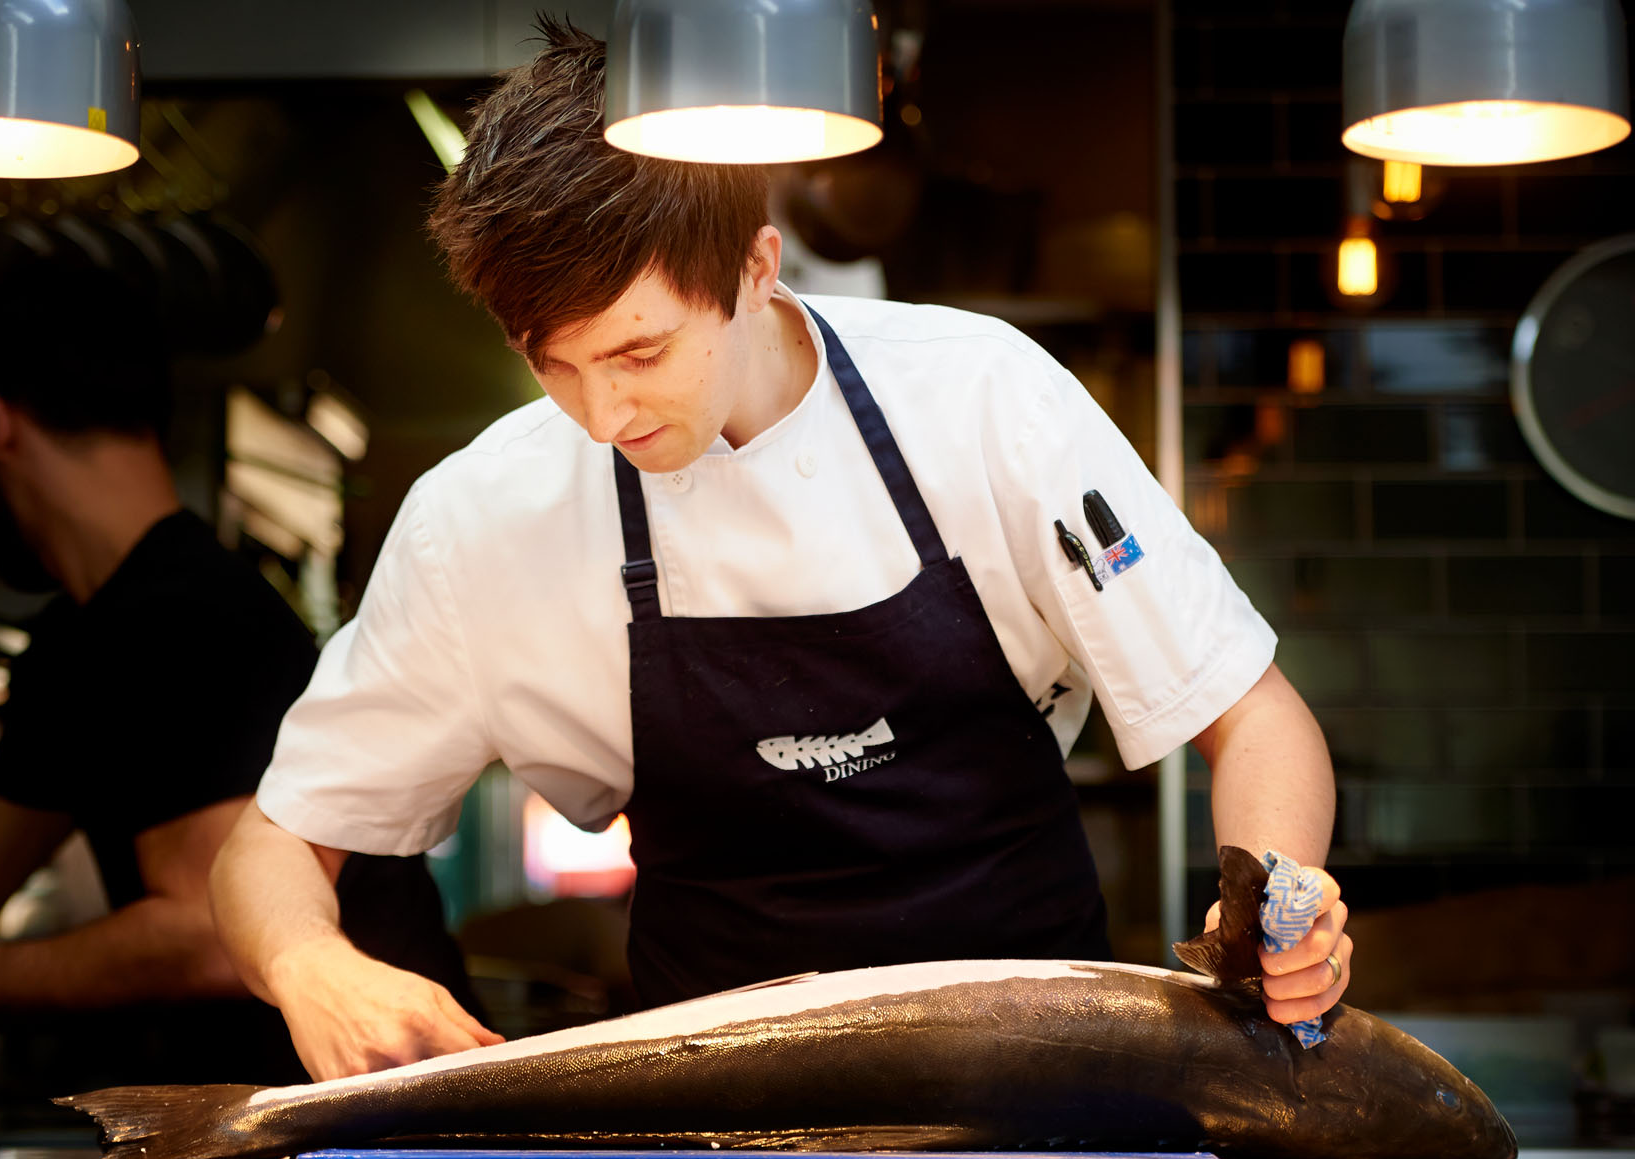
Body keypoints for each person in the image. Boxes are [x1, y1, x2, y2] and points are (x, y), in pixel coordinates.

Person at [211, 20, 1348, 1082]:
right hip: (718, 1144)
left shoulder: (984, 401)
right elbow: (270, 848)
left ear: (758, 267)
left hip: (1050, 1104)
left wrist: (1279, 906)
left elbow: (1251, 714)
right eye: (554, 365)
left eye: (642, 352)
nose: (603, 415)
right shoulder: (485, 522)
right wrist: (311, 966)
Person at [0, 254, 481, 1083]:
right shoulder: (77, 644)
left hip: (370, 1119)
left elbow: (209, 933)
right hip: (259, 1130)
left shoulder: (192, 617)